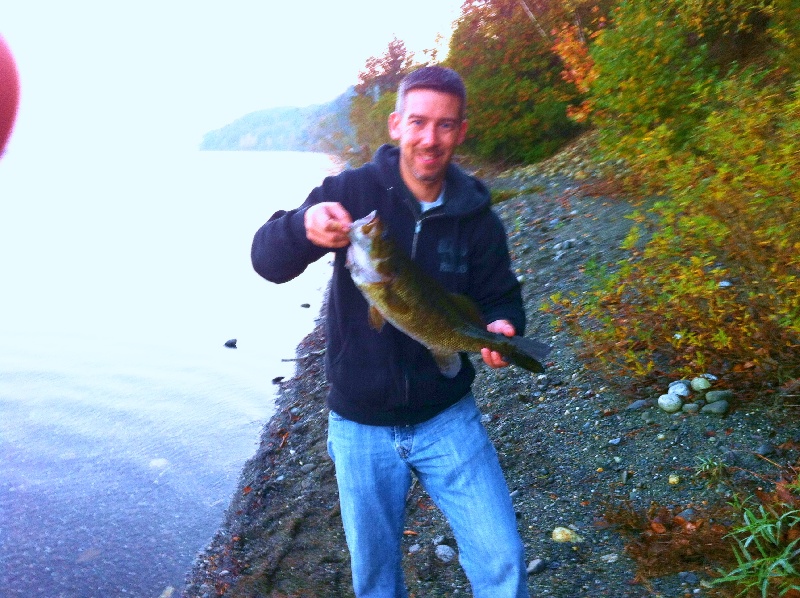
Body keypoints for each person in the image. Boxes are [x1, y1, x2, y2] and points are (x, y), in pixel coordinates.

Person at [251, 65, 531, 598]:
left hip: (448, 417)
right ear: (396, 124)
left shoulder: (477, 217)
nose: (431, 138)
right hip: (360, 426)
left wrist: (502, 326)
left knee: (503, 560)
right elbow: (267, 261)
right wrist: (300, 225)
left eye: (445, 126)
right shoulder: (352, 192)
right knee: (375, 577)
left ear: (461, 132)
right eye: (420, 122)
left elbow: (501, 296)